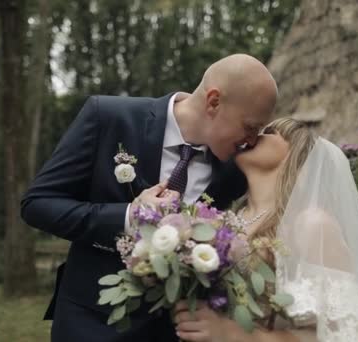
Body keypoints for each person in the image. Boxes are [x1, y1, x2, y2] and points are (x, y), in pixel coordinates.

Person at [20, 54, 278, 341]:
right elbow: (38, 203)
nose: (252, 140)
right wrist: (129, 215)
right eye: (251, 127)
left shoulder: (235, 169)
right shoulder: (107, 117)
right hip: (92, 324)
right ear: (214, 102)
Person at [174, 118, 358, 341]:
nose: (253, 136)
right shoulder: (224, 222)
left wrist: (234, 335)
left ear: (295, 156)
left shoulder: (311, 225)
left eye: (268, 132)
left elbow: (341, 333)